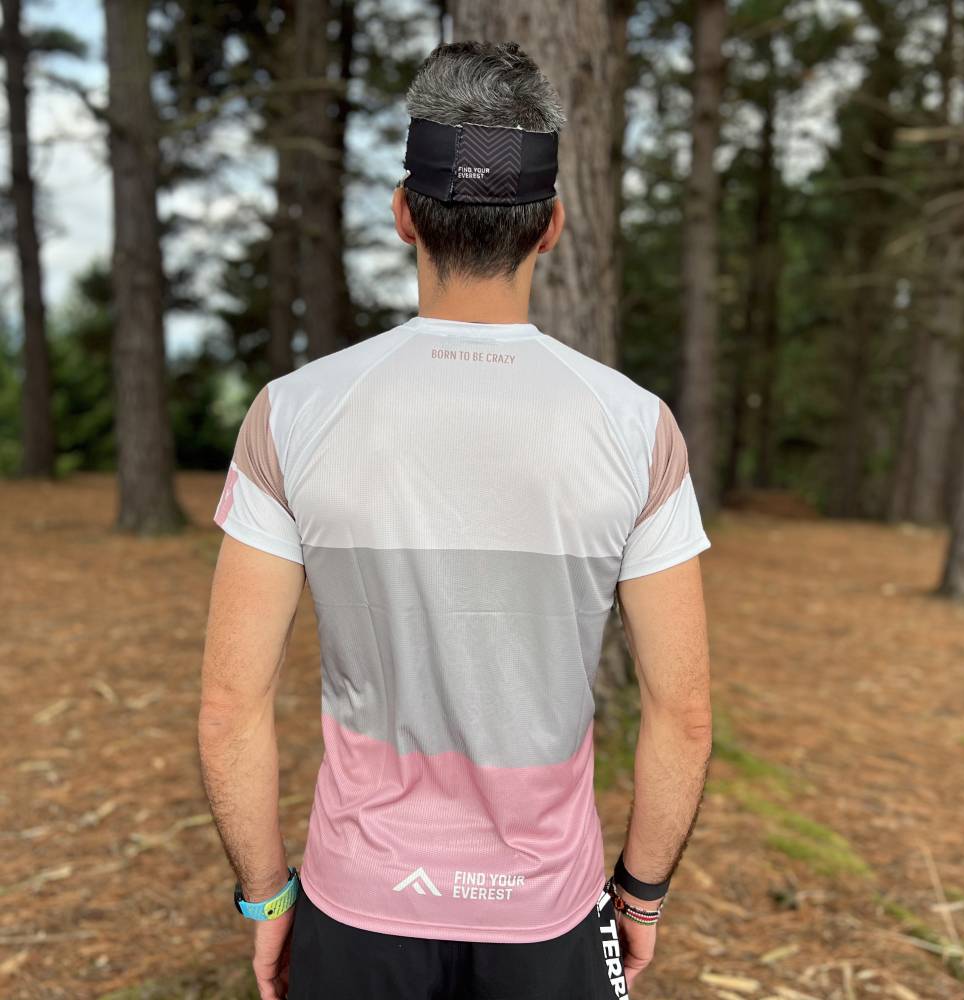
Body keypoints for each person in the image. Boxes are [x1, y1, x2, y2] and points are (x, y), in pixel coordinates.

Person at [199, 40, 713, 1000]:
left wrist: (268, 904)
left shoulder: (293, 412)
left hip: (359, 905)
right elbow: (682, 716)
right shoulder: (637, 428)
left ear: (404, 213)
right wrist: (640, 901)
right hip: (547, 913)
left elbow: (230, 706)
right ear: (551, 225)